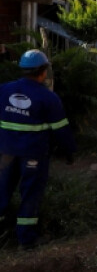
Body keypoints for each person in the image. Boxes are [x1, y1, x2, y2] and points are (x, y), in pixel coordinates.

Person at [0, 49, 74, 250]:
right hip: (33, 155)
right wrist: (69, 152)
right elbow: (61, 130)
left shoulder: (3, 90)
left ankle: (2, 236)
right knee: (30, 194)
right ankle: (27, 239)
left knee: (2, 190)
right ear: (43, 71)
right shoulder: (48, 98)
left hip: (5, 153)